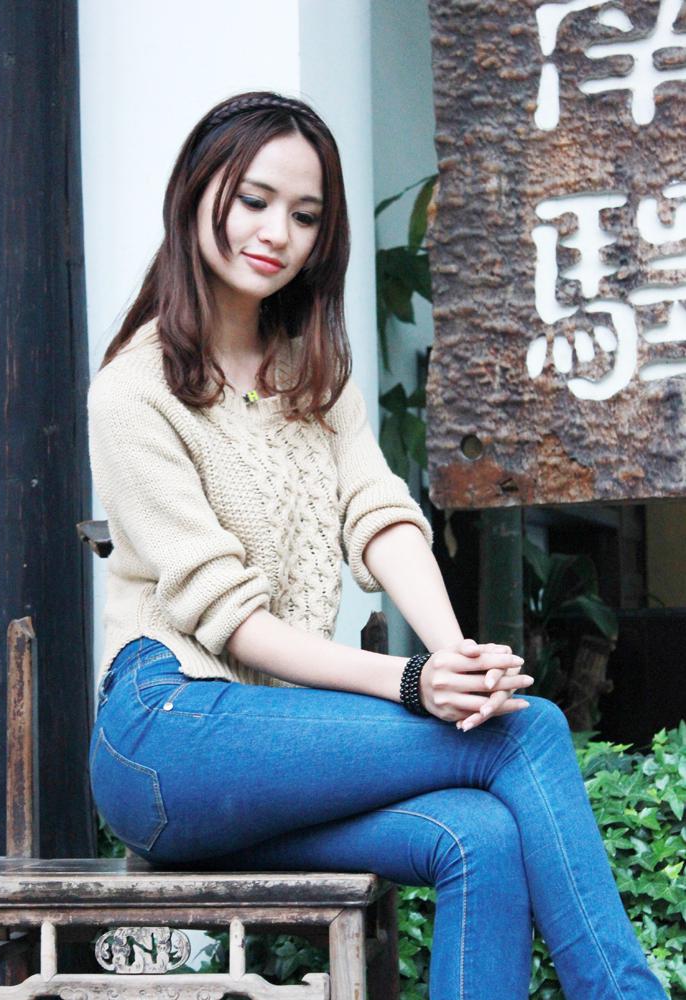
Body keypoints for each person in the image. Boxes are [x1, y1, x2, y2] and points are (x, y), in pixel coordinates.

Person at [86, 90, 666, 999]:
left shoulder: (314, 378)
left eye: (304, 215)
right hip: (165, 736)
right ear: (196, 194)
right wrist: (410, 682)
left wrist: (455, 660)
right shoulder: (134, 391)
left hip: (266, 758)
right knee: (527, 733)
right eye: (254, 200)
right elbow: (232, 622)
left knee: (479, 835)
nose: (276, 232)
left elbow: (380, 516)